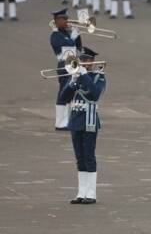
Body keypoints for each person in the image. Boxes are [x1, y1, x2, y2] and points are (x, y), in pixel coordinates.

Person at [60, 47, 106, 205]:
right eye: (83, 60)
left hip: (90, 120)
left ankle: (91, 193)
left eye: (88, 60)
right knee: (79, 158)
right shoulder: (75, 76)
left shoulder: (98, 77)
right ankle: (81, 192)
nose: (85, 63)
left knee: (89, 157)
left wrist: (84, 75)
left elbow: (94, 94)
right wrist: (72, 81)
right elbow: (63, 97)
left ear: (93, 62)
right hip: (76, 120)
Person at [50, 8, 83, 130]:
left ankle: (67, 121)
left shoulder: (66, 33)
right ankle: (60, 123)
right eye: (64, 19)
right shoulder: (55, 35)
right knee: (63, 93)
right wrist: (73, 37)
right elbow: (67, 45)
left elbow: (78, 47)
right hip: (64, 66)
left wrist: (77, 35)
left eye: (67, 19)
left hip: (73, 64)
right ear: (57, 20)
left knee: (71, 93)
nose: (67, 21)